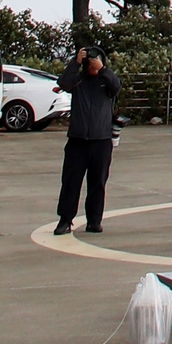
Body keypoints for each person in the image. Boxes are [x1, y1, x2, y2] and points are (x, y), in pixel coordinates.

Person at [54, 42, 121, 235]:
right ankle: (65, 220)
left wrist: (103, 70)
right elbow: (63, 82)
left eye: (95, 59)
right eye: (89, 60)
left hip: (101, 141)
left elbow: (117, 86)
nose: (92, 64)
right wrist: (75, 63)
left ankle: (94, 220)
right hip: (77, 141)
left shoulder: (107, 82)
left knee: (98, 182)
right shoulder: (78, 81)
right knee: (70, 182)